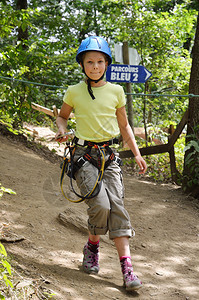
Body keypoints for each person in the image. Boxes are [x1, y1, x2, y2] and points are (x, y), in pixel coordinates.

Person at [55, 36, 147, 291]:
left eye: (99, 61)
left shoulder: (116, 92)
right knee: (101, 205)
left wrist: (137, 153)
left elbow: (124, 125)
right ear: (82, 64)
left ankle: (127, 268)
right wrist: (61, 129)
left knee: (117, 207)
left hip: (110, 156)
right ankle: (93, 246)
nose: (94, 66)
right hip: (84, 156)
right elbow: (62, 117)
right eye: (89, 62)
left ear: (106, 63)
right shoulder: (74, 91)